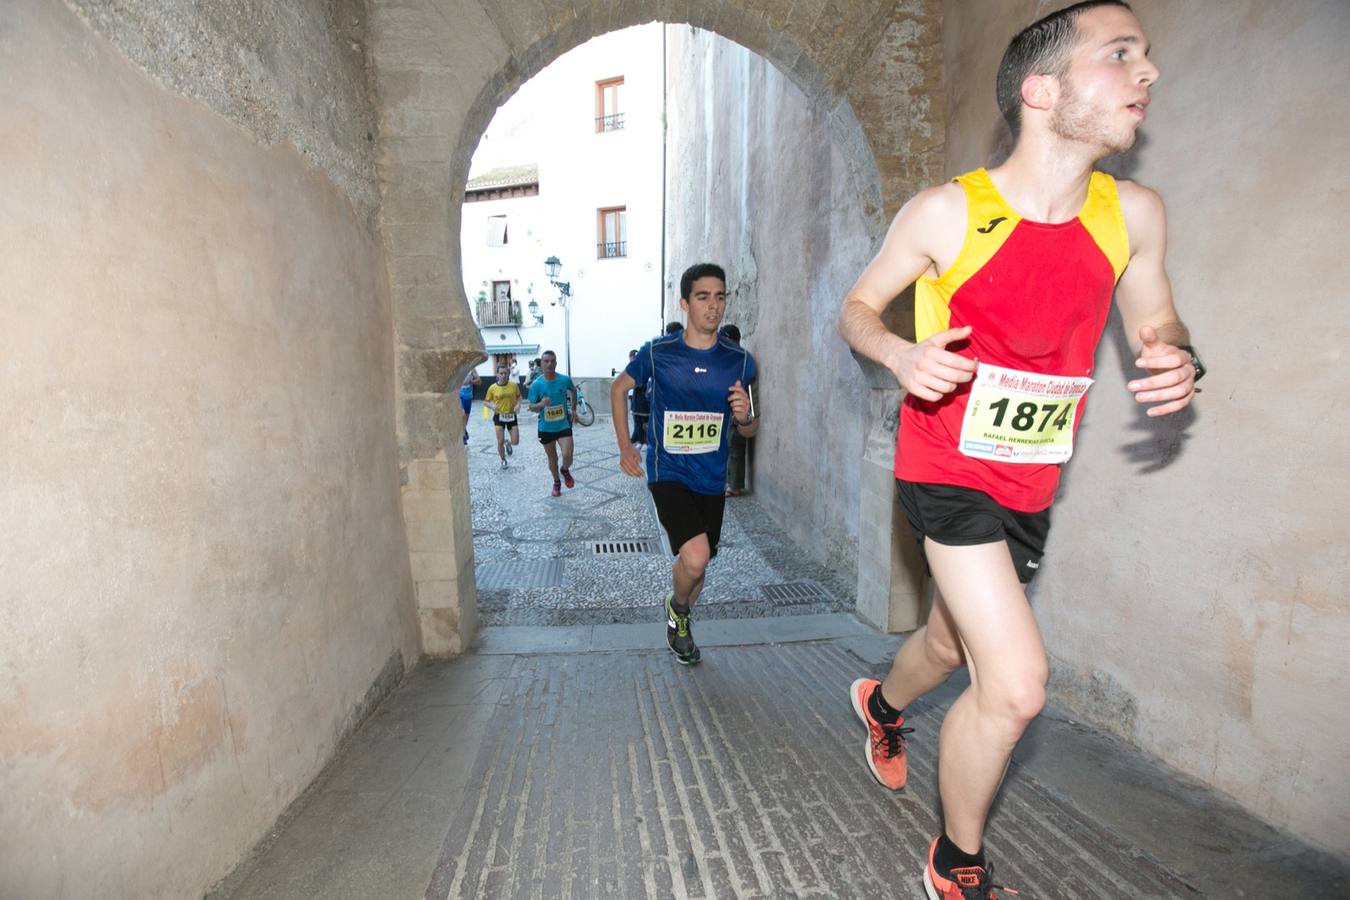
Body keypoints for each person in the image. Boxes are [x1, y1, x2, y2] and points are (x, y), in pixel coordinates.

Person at [835, 3, 1202, 897]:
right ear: (1043, 91)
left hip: (1030, 482)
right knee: (1017, 685)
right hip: (943, 466)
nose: (1147, 73)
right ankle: (958, 862)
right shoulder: (948, 213)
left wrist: (1179, 357)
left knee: (952, 646)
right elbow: (855, 310)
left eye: (1146, 55)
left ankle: (881, 704)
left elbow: (1158, 319)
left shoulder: (1135, 216)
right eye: (1119, 55)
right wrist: (898, 353)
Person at [610, 264, 759, 665]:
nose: (713, 306)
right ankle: (676, 606)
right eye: (703, 296)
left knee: (701, 564)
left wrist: (745, 417)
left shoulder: (741, 362)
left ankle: (682, 616)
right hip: (668, 472)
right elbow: (619, 388)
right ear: (685, 302)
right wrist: (626, 447)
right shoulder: (659, 353)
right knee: (694, 557)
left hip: (711, 478)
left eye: (720, 296)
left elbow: (749, 429)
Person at [527, 350, 578, 497]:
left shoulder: (564, 379)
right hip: (546, 428)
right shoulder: (537, 384)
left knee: (567, 455)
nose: (549, 364)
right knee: (553, 459)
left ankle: (565, 469)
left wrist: (573, 409)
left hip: (563, 425)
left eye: (552, 361)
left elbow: (573, 391)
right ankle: (556, 482)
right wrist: (542, 404)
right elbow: (531, 406)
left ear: (556, 363)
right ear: (541, 363)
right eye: (546, 361)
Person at [718, 324, 752, 497]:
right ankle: (730, 483)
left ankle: (735, 486)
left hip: (738, 411)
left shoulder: (740, 359)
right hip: (729, 410)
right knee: (728, 446)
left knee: (735, 447)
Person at [484, 363, 522, 468]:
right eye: (501, 373)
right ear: (497, 374)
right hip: (499, 416)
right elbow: (486, 401)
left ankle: (508, 443)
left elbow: (519, 397)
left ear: (508, 373)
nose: (503, 375)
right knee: (499, 441)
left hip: (511, 415)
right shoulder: (492, 387)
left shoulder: (513, 386)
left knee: (515, 441)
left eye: (505, 373)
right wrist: (492, 406)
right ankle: (503, 460)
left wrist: (518, 405)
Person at [627, 349, 649, 448]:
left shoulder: (644, 368)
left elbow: (646, 383)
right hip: (635, 399)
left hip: (644, 400)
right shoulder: (631, 369)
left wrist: (637, 385)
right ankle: (640, 441)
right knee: (637, 422)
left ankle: (645, 442)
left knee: (645, 422)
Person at [457, 368, 480, 445]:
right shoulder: (457, 368)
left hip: (468, 397)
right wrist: (461, 383)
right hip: (458, 396)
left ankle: (464, 431)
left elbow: (479, 381)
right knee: (462, 414)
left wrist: (471, 381)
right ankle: (462, 436)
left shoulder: (472, 369)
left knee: (465, 419)